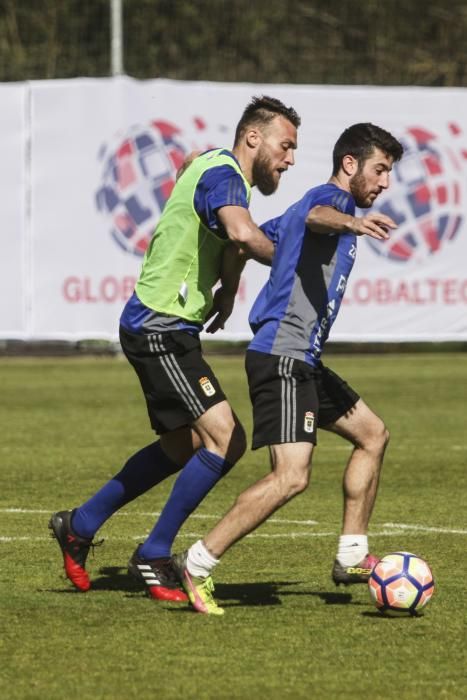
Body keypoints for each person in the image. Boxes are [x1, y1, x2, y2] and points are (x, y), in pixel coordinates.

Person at [49, 95, 300, 601]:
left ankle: (79, 524)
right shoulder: (225, 176)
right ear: (254, 137)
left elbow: (225, 231)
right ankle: (154, 553)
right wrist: (301, 260)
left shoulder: (214, 167)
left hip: (164, 327)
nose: (290, 159)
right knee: (225, 438)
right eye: (286, 145)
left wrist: (227, 288)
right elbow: (241, 233)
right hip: (158, 327)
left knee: (182, 445)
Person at [172, 122, 404, 615]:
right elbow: (323, 215)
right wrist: (351, 224)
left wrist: (230, 289)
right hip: (283, 357)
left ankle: (352, 555)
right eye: (380, 170)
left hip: (303, 358)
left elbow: (248, 242)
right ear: (349, 164)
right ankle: (197, 563)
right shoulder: (330, 202)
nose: (385, 183)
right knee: (291, 477)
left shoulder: (297, 211)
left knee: (373, 434)